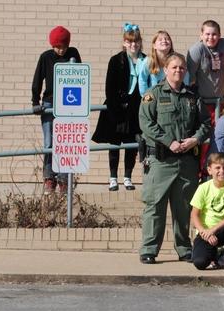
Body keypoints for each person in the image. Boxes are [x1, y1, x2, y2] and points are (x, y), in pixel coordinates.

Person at [137, 52, 212, 264]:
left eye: (181, 68)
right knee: (155, 206)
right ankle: (149, 249)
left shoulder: (192, 97)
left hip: (186, 160)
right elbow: (146, 124)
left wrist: (195, 140)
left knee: (184, 208)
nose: (178, 71)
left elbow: (205, 124)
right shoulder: (153, 95)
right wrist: (168, 141)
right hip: (161, 160)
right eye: (174, 67)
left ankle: (184, 249)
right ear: (165, 69)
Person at [92, 23, 145, 191]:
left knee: (132, 145)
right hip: (116, 109)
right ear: (124, 43)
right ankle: (113, 177)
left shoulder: (145, 60)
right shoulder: (116, 60)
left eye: (136, 41)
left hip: (135, 109)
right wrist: (116, 109)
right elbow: (109, 88)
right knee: (114, 144)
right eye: (129, 42)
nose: (133, 45)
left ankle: (128, 177)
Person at [31, 25, 82, 193]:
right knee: (49, 142)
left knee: (65, 141)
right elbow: (37, 80)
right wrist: (35, 102)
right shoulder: (45, 57)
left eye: (63, 46)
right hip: (49, 103)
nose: (61, 50)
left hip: (68, 105)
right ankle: (49, 177)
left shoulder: (73, 54)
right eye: (57, 47)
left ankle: (64, 179)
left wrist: (79, 104)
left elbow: (80, 78)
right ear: (52, 45)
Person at [187, 19, 224, 121]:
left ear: (219, 35)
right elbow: (189, 78)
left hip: (222, 100)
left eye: (214, 34)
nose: (210, 37)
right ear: (201, 35)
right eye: (207, 34)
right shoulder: (196, 50)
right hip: (203, 102)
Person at [138, 30, 184, 96]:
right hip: (155, 96)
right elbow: (142, 79)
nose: (164, 40)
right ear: (154, 45)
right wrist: (145, 96)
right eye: (160, 39)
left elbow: (184, 76)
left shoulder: (176, 60)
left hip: (173, 96)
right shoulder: (149, 61)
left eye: (167, 39)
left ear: (171, 44)